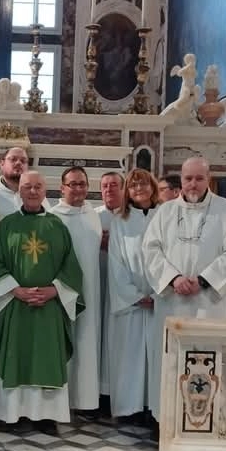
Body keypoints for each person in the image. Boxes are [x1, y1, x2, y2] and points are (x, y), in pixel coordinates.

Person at [142, 157, 226, 426]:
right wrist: (174, 278)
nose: (193, 184)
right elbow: (150, 250)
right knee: (172, 361)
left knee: (211, 357)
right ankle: (167, 422)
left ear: (208, 179)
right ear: (182, 179)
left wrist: (202, 280)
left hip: (211, 303)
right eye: (188, 178)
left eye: (199, 178)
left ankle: (213, 420)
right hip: (173, 302)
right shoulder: (165, 212)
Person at [0, 171, 84, 435]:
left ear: (46, 191)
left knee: (46, 359)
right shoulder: (6, 225)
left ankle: (46, 417)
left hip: (48, 308)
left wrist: (54, 291)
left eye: (37, 187)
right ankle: (13, 415)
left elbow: (71, 268)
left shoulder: (57, 225)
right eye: (27, 186)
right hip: (15, 306)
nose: (32, 191)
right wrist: (14, 290)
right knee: (16, 357)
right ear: (19, 190)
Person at [107, 169, 159, 428]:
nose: (139, 188)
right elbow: (115, 262)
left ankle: (155, 408)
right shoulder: (120, 220)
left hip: (161, 298)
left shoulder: (166, 216)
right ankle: (130, 407)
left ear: (153, 186)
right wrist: (136, 295)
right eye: (133, 185)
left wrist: (161, 292)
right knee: (130, 355)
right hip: (132, 301)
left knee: (157, 357)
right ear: (127, 191)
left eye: (143, 183)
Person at [49, 167, 102, 417]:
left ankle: (86, 401)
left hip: (90, 291)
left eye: (82, 184)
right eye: (73, 184)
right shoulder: (52, 216)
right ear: (62, 188)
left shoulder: (93, 214)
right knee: (64, 343)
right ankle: (61, 401)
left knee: (87, 341)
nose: (78, 189)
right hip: (62, 291)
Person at [95, 171, 124, 405]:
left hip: (123, 290)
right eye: (104, 186)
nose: (109, 190)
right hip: (98, 283)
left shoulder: (130, 217)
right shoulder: (92, 216)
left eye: (114, 185)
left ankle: (115, 390)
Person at [0, 147, 49, 218]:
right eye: (13, 159)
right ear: (2, 164)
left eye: (23, 161)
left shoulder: (36, 195)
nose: (18, 163)